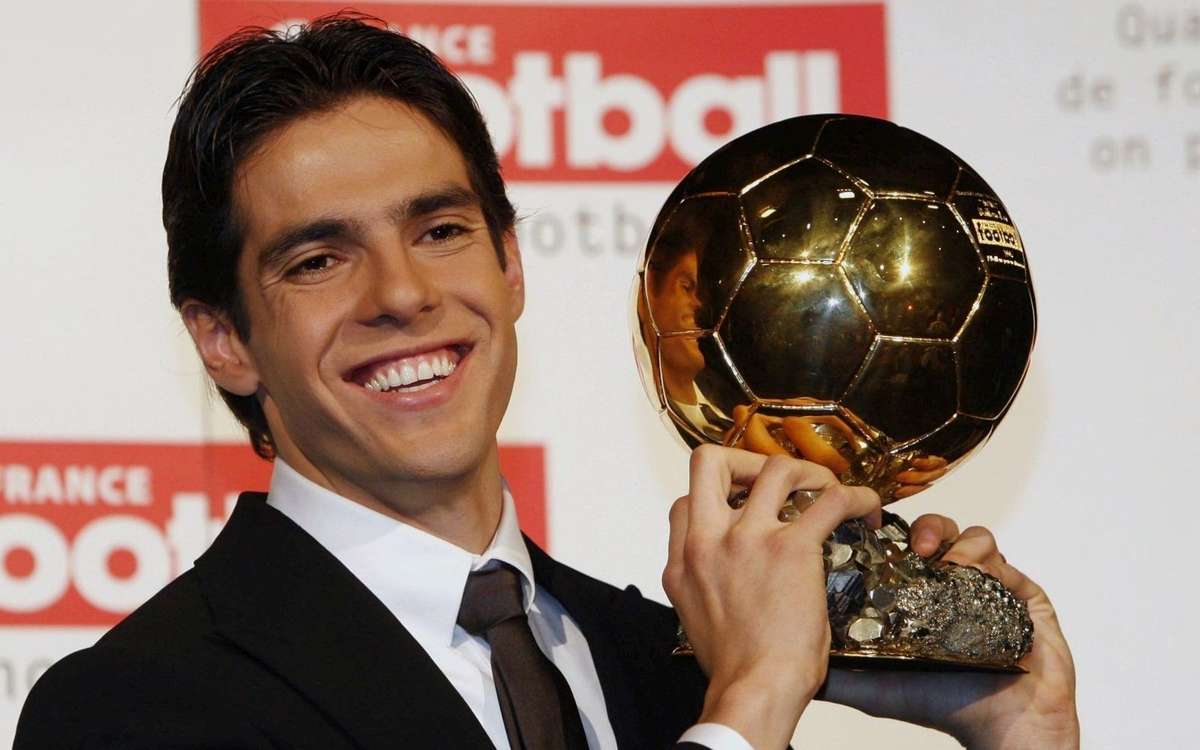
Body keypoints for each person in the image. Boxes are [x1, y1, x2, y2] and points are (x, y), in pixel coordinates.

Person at [15, 15, 1079, 750]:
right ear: (223, 340)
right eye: (320, 259)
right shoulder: (136, 708)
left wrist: (1020, 734)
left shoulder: (661, 668)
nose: (403, 294)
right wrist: (753, 702)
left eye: (441, 231)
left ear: (511, 264)